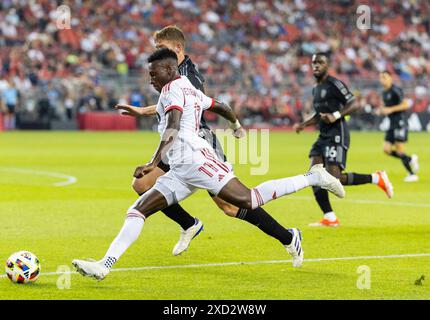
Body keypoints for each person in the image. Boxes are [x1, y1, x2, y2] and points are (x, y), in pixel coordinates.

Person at [72, 48, 345, 280]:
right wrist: (235, 124)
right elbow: (219, 105)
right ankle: (104, 266)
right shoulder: (186, 88)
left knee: (248, 200)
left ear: (169, 68)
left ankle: (313, 177)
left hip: (198, 159)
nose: (151, 79)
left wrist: (152, 163)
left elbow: (174, 127)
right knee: (137, 210)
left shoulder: (172, 89)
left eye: (154, 73)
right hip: (181, 169)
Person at [116, 25, 309, 257]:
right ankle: (189, 224)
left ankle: (288, 236)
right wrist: (142, 111)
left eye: (161, 47)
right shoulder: (173, 72)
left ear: (177, 47)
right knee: (142, 184)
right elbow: (167, 108)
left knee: (231, 205)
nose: (157, 53)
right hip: (177, 145)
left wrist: (234, 124)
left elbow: (196, 106)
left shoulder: (187, 76)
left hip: (199, 143)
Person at [293, 52, 393, 228]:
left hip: (337, 133)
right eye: (313, 62)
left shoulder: (334, 84)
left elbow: (354, 103)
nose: (316, 65)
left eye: (320, 62)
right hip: (323, 135)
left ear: (327, 65)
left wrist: (336, 115)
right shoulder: (316, 88)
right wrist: (303, 124)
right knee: (314, 175)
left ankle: (377, 178)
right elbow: (319, 114)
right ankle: (330, 217)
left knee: (334, 178)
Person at [378, 71, 419, 182]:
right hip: (392, 124)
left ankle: (411, 174)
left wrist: (390, 109)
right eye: (381, 77)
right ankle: (410, 159)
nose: (382, 79)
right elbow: (386, 107)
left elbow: (406, 104)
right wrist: (381, 111)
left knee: (400, 150)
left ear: (391, 78)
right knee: (386, 149)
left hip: (400, 122)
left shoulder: (396, 90)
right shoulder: (384, 92)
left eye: (384, 77)